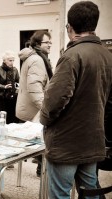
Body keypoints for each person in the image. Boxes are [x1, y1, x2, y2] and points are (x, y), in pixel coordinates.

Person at [39, 1, 112, 198]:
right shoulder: (107, 54)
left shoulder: (72, 55)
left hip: (67, 143)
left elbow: (55, 100)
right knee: (90, 194)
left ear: (69, 28)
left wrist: (44, 120)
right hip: (93, 139)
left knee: (61, 195)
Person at [15, 30, 53, 177]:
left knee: (36, 146)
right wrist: (46, 108)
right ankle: (42, 172)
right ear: (38, 44)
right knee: (41, 146)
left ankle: (41, 170)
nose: (50, 45)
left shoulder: (34, 58)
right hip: (33, 111)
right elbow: (35, 88)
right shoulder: (37, 60)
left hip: (28, 109)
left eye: (50, 42)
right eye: (47, 42)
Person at [0, 50, 20, 126]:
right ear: (4, 60)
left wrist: (18, 88)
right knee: (1, 120)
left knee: (12, 121)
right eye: (10, 60)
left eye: (13, 60)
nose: (12, 62)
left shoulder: (15, 70)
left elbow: (18, 81)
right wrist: (4, 87)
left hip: (13, 98)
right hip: (2, 98)